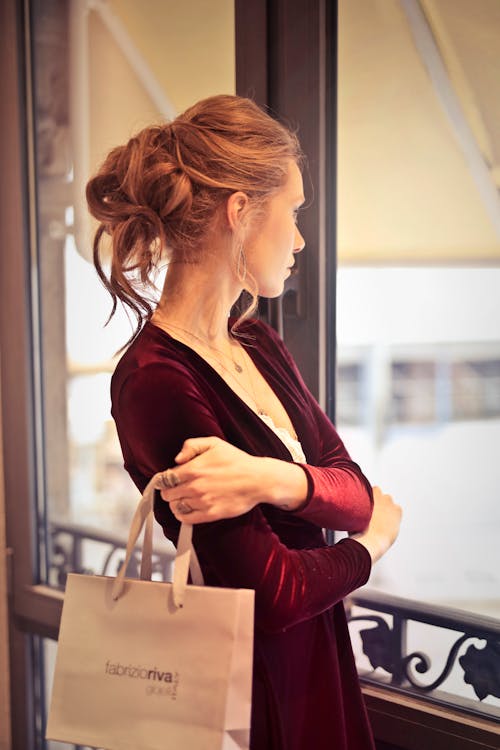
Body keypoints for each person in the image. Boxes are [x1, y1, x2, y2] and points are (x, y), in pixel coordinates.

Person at [86, 94, 402, 750]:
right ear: (240, 212)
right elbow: (275, 591)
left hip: (315, 661)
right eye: (293, 214)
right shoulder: (155, 381)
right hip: (248, 686)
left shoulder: (256, 343)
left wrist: (268, 479)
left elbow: (352, 488)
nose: (300, 240)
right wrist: (370, 547)